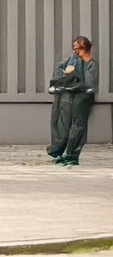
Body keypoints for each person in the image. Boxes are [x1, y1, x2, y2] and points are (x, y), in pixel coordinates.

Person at [47, 36, 98, 167]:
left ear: (84, 47)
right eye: (74, 48)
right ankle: (59, 152)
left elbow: (89, 84)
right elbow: (60, 68)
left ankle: (71, 155)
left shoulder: (90, 63)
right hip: (68, 96)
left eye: (78, 48)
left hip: (82, 98)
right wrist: (62, 80)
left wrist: (78, 84)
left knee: (77, 127)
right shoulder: (73, 59)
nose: (75, 50)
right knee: (62, 125)